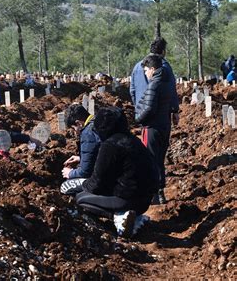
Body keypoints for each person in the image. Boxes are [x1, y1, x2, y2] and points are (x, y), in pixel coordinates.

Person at [72, 107, 159, 237]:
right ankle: (136, 216)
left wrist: (80, 185)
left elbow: (96, 184)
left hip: (128, 199)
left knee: (80, 199)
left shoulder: (110, 146)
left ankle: (119, 216)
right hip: (146, 199)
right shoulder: (133, 140)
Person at [130, 38, 178, 204]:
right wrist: (174, 110)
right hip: (162, 118)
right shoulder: (164, 67)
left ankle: (153, 192)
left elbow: (133, 90)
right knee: (158, 157)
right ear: (163, 51)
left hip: (147, 121)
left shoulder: (138, 66)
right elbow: (172, 90)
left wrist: (138, 112)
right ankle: (158, 191)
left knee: (149, 156)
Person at [135, 54, 172, 204]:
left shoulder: (154, 85)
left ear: (152, 69)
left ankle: (153, 195)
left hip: (151, 128)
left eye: (146, 71)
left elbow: (149, 108)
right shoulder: (166, 83)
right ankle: (160, 192)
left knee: (150, 160)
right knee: (159, 160)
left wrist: (138, 119)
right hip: (164, 126)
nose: (145, 73)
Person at [60, 104, 101, 195]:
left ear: (79, 123)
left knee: (65, 186)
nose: (75, 133)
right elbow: (101, 153)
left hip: (109, 181)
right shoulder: (99, 123)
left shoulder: (88, 133)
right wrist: (81, 158)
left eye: (73, 129)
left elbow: (85, 172)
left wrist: (70, 173)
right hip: (121, 175)